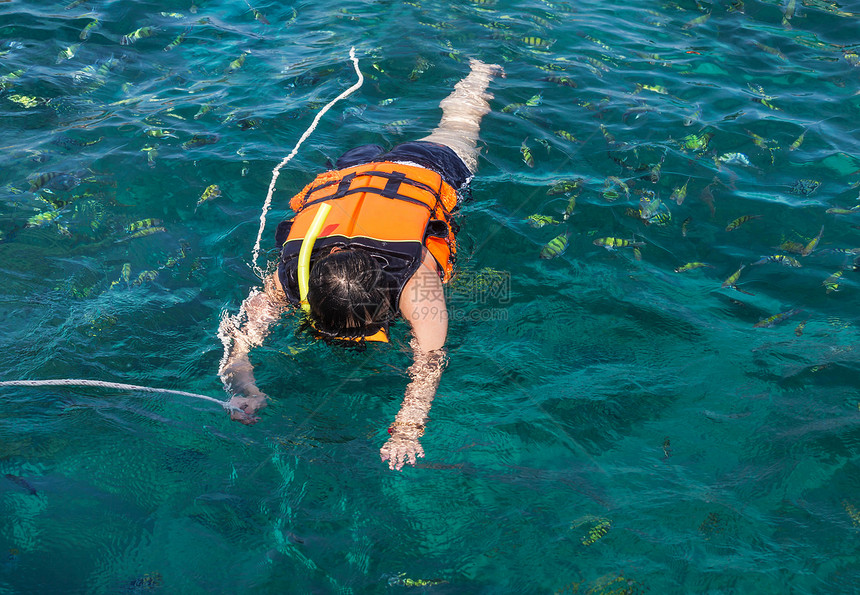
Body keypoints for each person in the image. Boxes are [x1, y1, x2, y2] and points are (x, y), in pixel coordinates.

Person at [218, 59, 502, 471]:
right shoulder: (294, 274)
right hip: (375, 174)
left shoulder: (415, 282)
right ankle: (477, 74)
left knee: (461, 124)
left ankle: (480, 74)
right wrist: (244, 387)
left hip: (408, 168)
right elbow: (240, 341)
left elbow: (430, 361)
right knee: (458, 122)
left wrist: (408, 427)